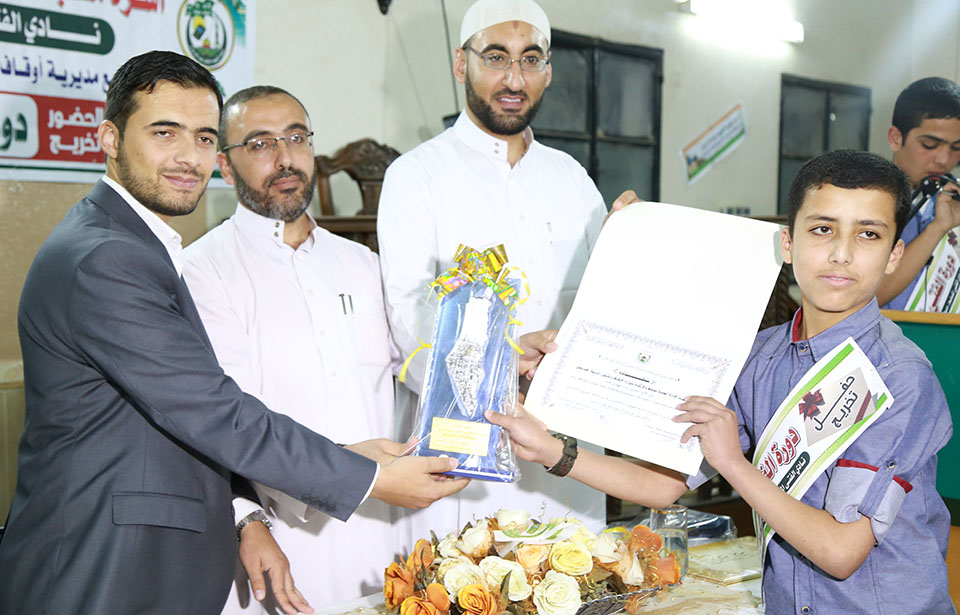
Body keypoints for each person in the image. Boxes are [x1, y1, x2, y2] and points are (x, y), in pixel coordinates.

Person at [0, 51, 468, 614]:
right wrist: (366, 477)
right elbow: (217, 412)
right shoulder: (109, 257)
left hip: (175, 548)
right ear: (109, 138)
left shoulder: (131, 244)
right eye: (164, 132)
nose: (187, 156)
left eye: (202, 137)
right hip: (102, 562)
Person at [493, 149, 954, 614]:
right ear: (787, 243)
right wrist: (551, 450)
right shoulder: (760, 356)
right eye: (822, 229)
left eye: (868, 234)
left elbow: (840, 552)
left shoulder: (898, 378)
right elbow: (663, 484)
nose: (841, 253)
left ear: (894, 254)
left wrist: (733, 463)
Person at [377, 0, 635, 541]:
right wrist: (499, 369)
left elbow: (605, 304)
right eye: (495, 57)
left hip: (566, 448)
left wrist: (634, 244)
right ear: (461, 64)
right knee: (468, 576)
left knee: (577, 573)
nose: (514, 79)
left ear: (548, 70)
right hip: (464, 449)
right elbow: (407, 320)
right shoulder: (417, 176)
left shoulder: (571, 178)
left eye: (530, 59)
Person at [181, 85, 405, 609]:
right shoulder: (201, 270)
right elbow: (215, 424)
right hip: (279, 541)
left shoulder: (363, 264)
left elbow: (416, 371)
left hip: (383, 528)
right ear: (225, 166)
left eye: (296, 138)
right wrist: (246, 519)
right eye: (260, 144)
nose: (285, 158)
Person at [877, 77, 960, 310]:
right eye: (930, 145)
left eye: (956, 148)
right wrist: (937, 228)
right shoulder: (865, 201)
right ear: (896, 138)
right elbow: (866, 299)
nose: (943, 160)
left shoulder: (951, 200)